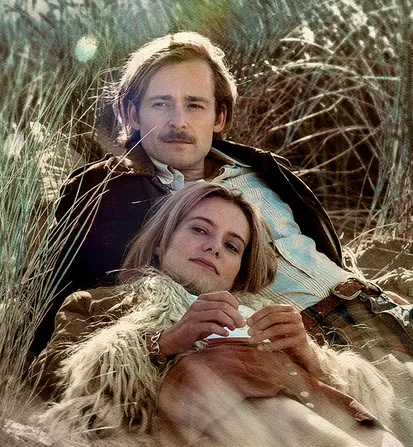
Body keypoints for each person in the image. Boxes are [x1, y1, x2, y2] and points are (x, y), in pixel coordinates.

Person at [32, 31, 413, 370]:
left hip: (381, 309)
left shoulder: (261, 168)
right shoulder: (109, 193)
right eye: (161, 104)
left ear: (219, 116)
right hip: (310, 349)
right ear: (132, 113)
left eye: (195, 105)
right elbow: (68, 312)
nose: (178, 121)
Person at [32, 183, 412, 447]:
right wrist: (164, 344)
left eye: (232, 246)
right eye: (199, 229)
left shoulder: (268, 316)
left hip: (336, 425)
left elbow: (361, 395)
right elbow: (55, 377)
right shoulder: (100, 303)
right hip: (224, 431)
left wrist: (312, 358)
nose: (214, 246)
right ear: (161, 243)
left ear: (238, 272)